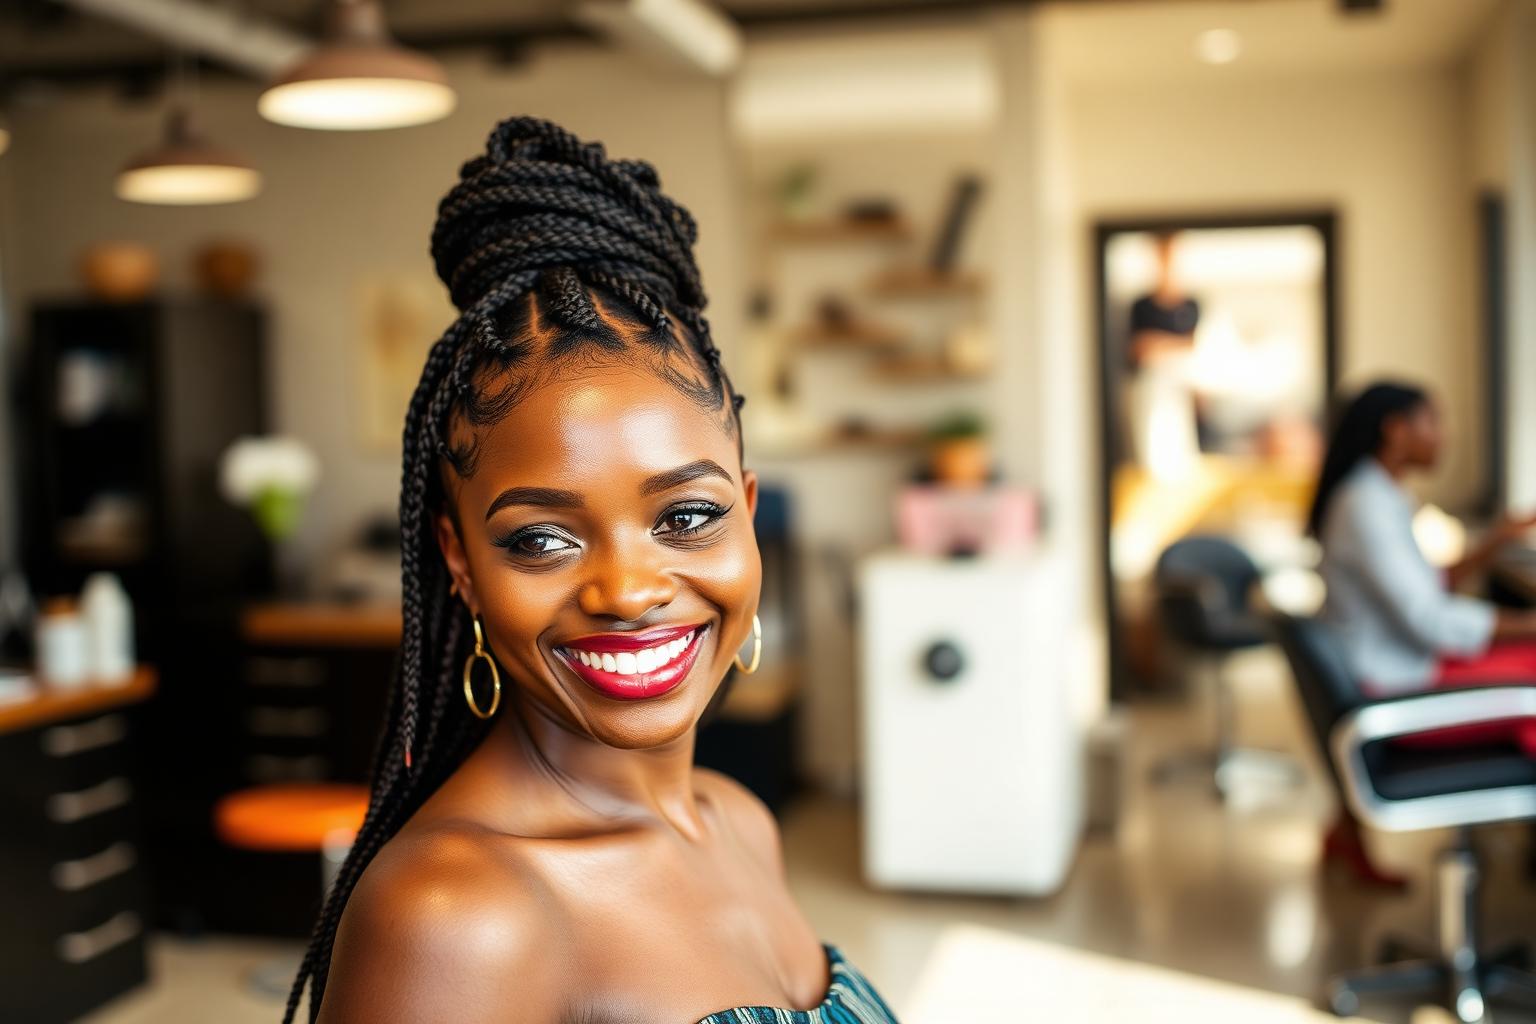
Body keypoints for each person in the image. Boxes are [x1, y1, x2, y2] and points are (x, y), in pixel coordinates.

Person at [284, 118, 900, 1024]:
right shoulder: (456, 917)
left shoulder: (740, 822)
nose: (628, 591)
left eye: (687, 517)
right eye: (542, 539)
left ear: (750, 514)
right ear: (458, 561)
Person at [1310, 381, 1536, 885]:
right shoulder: (1364, 507)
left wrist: (1498, 540)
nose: (1445, 436)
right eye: (1434, 421)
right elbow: (1430, 620)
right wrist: (1528, 626)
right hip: (1395, 688)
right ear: (1396, 430)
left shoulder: (1379, 494)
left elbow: (1425, 588)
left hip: (1395, 667)